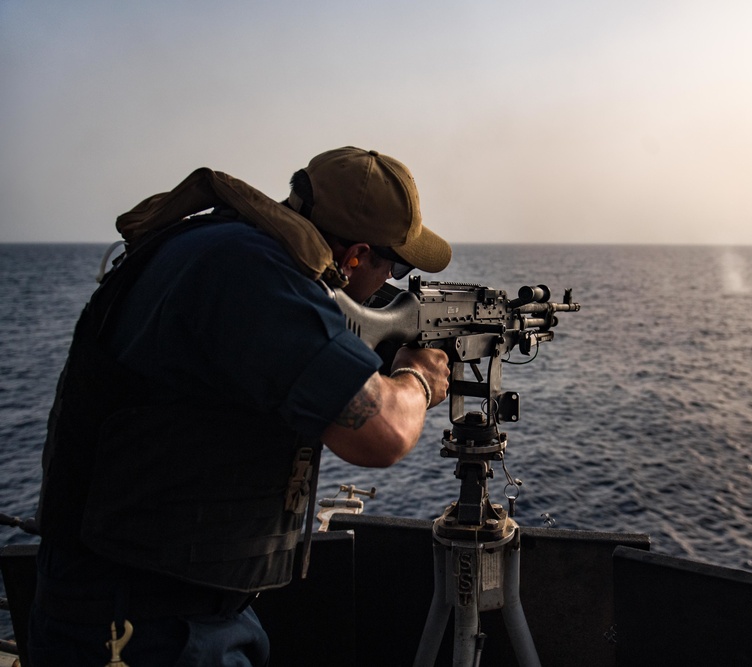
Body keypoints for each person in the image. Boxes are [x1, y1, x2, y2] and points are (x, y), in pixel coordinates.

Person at [28, 147, 452, 665]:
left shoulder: (223, 247)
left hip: (186, 604)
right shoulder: (251, 272)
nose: (391, 285)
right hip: (138, 622)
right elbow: (380, 432)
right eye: (396, 265)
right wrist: (419, 377)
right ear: (355, 255)